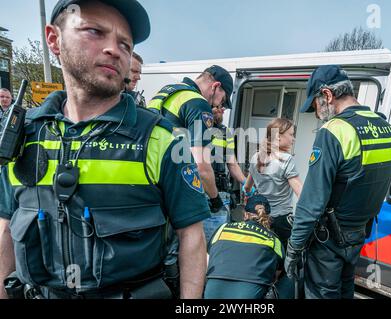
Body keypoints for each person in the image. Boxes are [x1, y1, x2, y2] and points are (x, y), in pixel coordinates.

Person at [0, 0, 209, 299]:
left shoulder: (161, 138)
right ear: (54, 39)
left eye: (125, 43)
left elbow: (191, 236)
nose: (114, 49)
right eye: (94, 31)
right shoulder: (22, 132)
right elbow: (6, 223)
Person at [285, 65, 391, 299]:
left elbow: (312, 201)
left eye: (316, 104)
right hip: (357, 234)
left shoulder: (334, 131)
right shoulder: (387, 128)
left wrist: (294, 247)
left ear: (327, 95)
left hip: (328, 240)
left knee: (323, 293)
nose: (317, 113)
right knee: (346, 288)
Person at [148, 65, 234, 212]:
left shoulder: (166, 91)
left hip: (150, 182)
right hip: (173, 190)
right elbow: (202, 167)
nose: (219, 105)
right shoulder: (198, 102)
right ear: (216, 86)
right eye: (223, 99)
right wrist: (215, 199)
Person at [204, 194, 284, 299]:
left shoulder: (223, 228)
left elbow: (207, 259)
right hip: (248, 294)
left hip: (212, 292)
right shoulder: (274, 240)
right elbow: (277, 274)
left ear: (245, 215)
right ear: (268, 217)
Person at [244, 118, 303, 248]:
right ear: (279, 136)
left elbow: (247, 187)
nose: (293, 139)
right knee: (282, 261)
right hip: (280, 221)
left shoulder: (256, 157)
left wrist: (248, 197)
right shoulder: (286, 160)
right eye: (291, 134)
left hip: (259, 217)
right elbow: (301, 194)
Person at [203, 105, 246, 242]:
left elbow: (232, 163)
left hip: (220, 190)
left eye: (223, 108)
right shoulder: (194, 127)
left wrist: (246, 183)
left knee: (219, 238)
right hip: (198, 190)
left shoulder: (225, 132)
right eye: (218, 107)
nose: (223, 110)